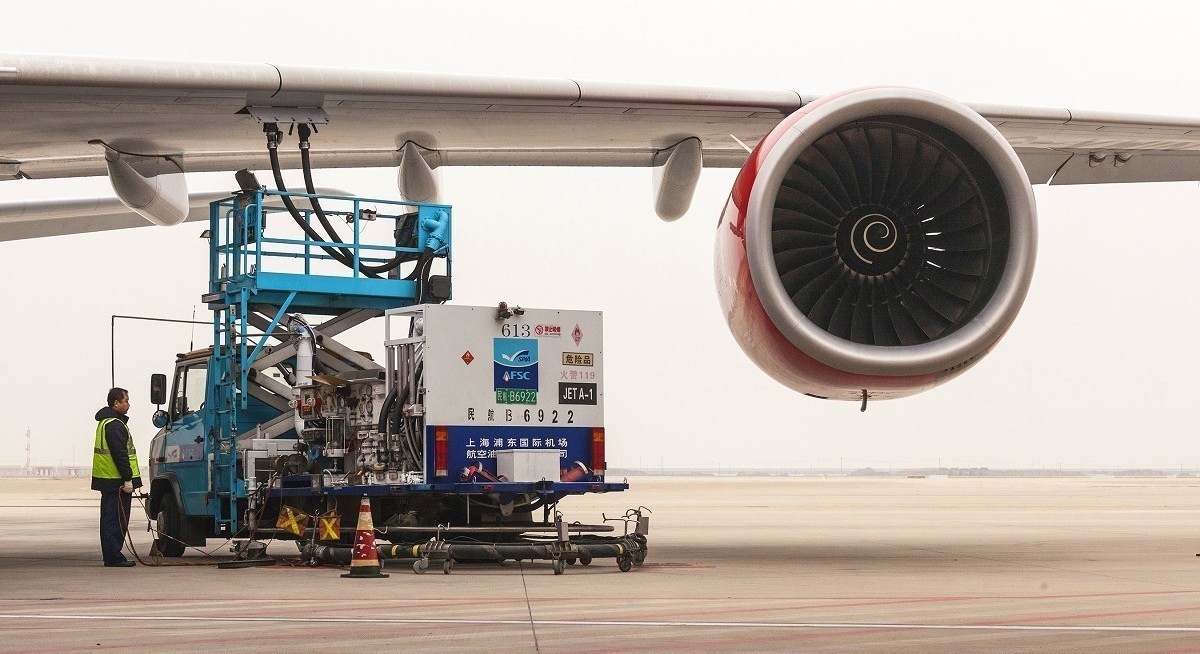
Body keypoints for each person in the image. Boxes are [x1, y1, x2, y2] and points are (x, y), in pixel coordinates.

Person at [93, 387, 142, 567]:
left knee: (109, 520)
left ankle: (111, 555)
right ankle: (114, 557)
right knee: (116, 520)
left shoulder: (106, 422)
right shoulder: (115, 425)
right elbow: (121, 455)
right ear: (116, 403)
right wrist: (128, 478)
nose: (129, 404)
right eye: (126, 401)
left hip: (108, 480)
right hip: (117, 482)